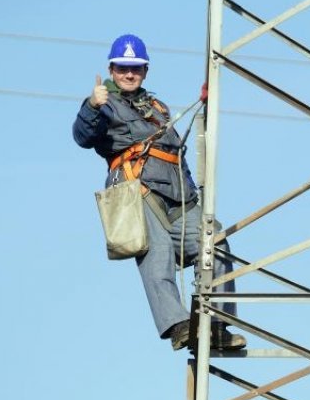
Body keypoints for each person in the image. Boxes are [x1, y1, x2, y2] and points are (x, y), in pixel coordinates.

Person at [73, 34, 246, 352]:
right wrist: (91, 106)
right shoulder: (104, 105)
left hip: (179, 194)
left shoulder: (156, 106)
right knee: (159, 251)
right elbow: (83, 136)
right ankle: (179, 326)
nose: (129, 74)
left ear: (145, 71)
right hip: (139, 190)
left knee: (214, 242)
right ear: (112, 69)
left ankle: (217, 324)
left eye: (135, 68)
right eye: (123, 68)